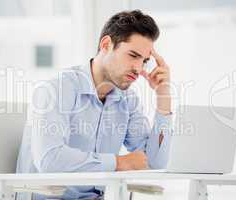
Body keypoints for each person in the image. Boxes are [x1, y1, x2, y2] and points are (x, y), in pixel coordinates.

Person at [17, 9, 172, 200]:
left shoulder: (127, 100)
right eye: (133, 55)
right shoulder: (56, 89)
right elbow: (50, 160)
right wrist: (118, 163)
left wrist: (163, 96)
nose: (139, 69)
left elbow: (154, 164)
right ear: (106, 44)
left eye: (145, 61)